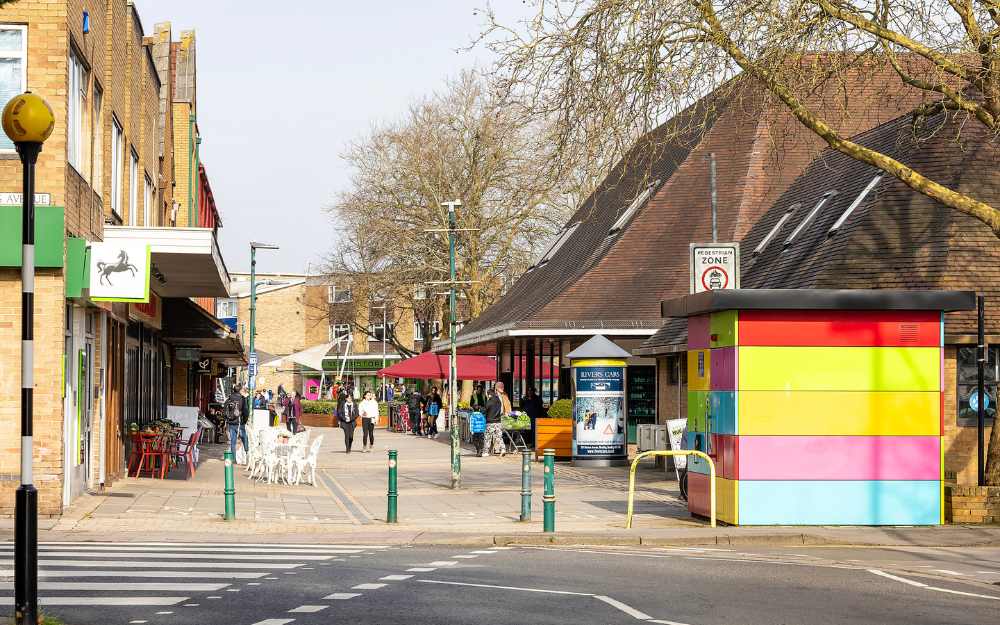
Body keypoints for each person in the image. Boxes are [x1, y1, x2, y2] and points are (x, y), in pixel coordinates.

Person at [223, 383, 249, 462]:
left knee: (233, 440)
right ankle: (246, 455)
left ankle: (234, 457)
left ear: (233, 391)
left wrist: (227, 419)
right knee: (244, 438)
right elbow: (245, 411)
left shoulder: (229, 399)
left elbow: (224, 412)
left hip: (231, 422)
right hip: (240, 422)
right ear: (240, 391)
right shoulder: (242, 399)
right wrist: (245, 420)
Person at [481, 388, 505, 457]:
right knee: (499, 437)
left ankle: (485, 452)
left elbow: (484, 410)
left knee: (487, 437)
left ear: (489, 395)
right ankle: (502, 449)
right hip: (498, 421)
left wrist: (480, 408)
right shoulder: (499, 401)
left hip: (490, 422)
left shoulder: (489, 402)